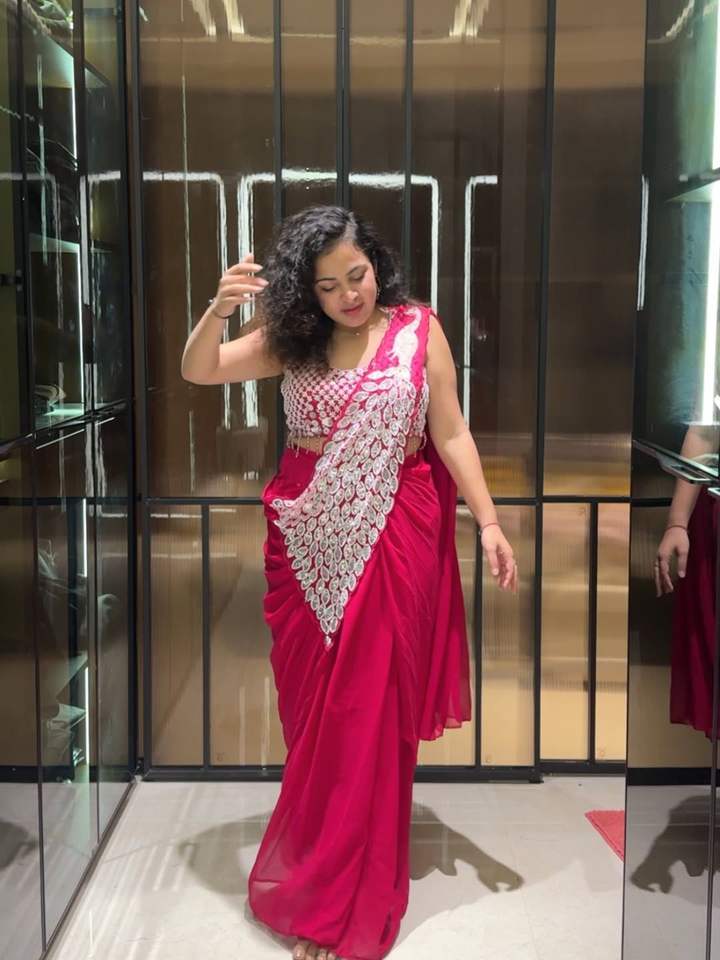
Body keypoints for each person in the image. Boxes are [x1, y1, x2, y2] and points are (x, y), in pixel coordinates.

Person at [181, 206, 518, 960]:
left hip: (395, 530)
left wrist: (489, 521)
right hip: (305, 535)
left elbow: (450, 431)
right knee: (319, 722)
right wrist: (218, 310)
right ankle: (317, 871)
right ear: (307, 292)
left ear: (376, 263)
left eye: (356, 275)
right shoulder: (292, 341)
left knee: (369, 711)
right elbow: (199, 370)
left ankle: (348, 901)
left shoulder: (418, 330)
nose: (348, 296)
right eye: (328, 286)